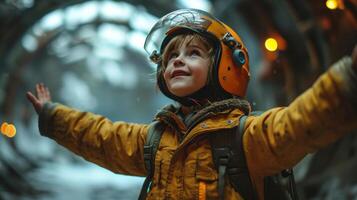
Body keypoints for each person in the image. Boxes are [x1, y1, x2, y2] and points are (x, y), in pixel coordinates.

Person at [27, 8, 357, 200]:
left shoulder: (247, 137)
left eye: (193, 53)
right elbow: (104, 138)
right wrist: (54, 117)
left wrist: (348, 80)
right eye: (170, 57)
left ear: (227, 64)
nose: (177, 62)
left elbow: (301, 123)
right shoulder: (156, 140)